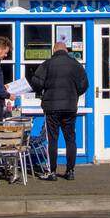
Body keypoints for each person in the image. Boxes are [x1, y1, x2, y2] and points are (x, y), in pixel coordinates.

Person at [29, 40, 89, 180]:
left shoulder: (47, 64)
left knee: (52, 139)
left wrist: (44, 91)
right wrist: (74, 95)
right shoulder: (76, 65)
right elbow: (84, 85)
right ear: (66, 51)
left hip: (51, 108)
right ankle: (70, 171)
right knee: (70, 139)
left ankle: (52, 172)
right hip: (70, 107)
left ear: (54, 50)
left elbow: (36, 83)